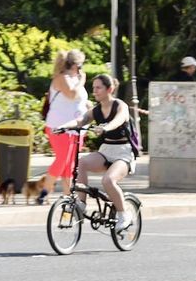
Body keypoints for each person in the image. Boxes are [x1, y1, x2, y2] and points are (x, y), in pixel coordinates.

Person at [61, 73, 137, 233]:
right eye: (93, 88)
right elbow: (81, 121)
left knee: (108, 180)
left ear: (109, 89)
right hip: (106, 150)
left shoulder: (120, 106)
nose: (94, 91)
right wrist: (63, 127)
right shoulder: (96, 110)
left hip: (124, 152)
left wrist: (106, 127)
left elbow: (119, 119)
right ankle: (81, 204)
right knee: (81, 163)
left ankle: (124, 215)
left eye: (98, 88)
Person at [38, 49, 89, 205]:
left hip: (77, 128)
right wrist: (82, 81)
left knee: (70, 163)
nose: (81, 69)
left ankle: (68, 195)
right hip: (59, 126)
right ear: (74, 65)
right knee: (62, 159)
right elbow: (72, 95)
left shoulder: (74, 79)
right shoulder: (61, 78)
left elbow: (79, 100)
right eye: (80, 65)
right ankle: (44, 192)